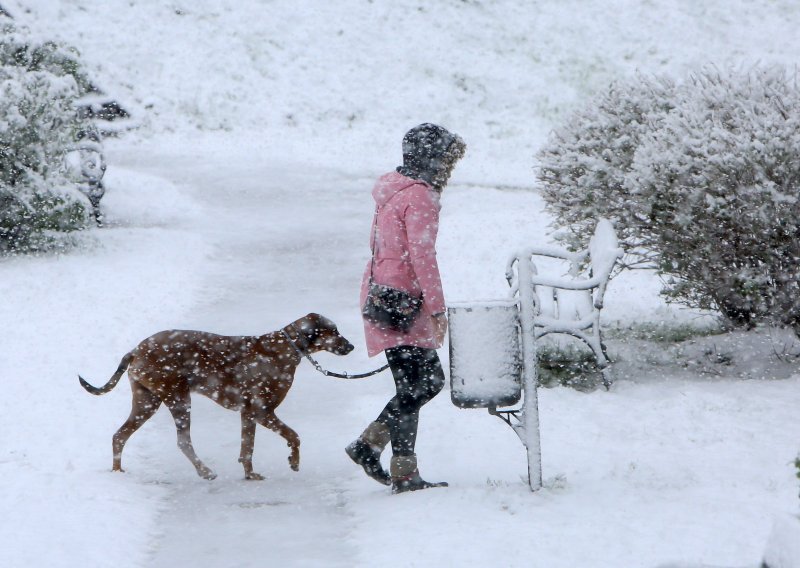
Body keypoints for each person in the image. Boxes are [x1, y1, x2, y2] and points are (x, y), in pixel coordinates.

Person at [346, 123, 466, 494]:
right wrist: (437, 309)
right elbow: (422, 256)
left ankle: (393, 463)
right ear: (434, 158)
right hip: (406, 303)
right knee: (424, 384)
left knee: (414, 385)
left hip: (383, 296)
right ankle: (377, 453)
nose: (450, 166)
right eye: (447, 157)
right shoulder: (421, 197)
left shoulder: (392, 191)